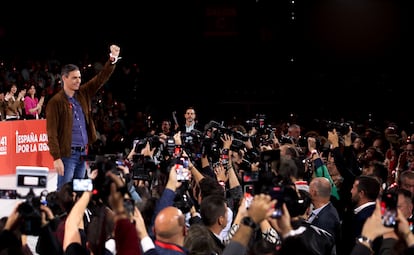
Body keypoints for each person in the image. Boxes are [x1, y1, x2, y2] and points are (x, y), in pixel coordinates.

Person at [46, 44, 121, 190]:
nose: (78, 81)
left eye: (79, 77)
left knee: (79, 191)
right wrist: (56, 158)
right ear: (64, 78)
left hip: (83, 153)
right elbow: (52, 133)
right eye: (74, 78)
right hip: (67, 155)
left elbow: (101, 78)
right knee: (64, 192)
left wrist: (112, 60)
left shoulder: (83, 93)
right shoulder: (55, 102)